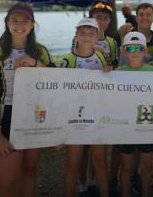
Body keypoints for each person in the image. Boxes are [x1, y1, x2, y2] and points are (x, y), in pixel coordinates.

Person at [0, 2, 54, 197]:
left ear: (32, 24)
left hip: (34, 115)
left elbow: (56, 84)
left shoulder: (41, 52)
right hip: (9, 116)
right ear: (7, 22)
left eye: (25, 20)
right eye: (15, 20)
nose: (20, 24)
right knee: (6, 182)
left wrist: (35, 63)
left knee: (29, 172)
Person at [61, 18, 111, 197]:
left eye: (91, 33)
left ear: (97, 36)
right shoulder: (67, 60)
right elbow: (61, 92)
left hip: (97, 117)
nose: (87, 37)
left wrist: (108, 74)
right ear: (76, 35)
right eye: (83, 33)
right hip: (75, 118)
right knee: (73, 163)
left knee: (100, 161)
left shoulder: (101, 58)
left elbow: (108, 87)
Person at [116, 31, 153, 197]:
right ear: (125, 51)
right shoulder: (116, 73)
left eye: (139, 48)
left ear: (145, 51)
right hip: (125, 129)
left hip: (147, 126)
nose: (135, 52)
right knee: (127, 167)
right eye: (131, 48)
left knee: (147, 167)